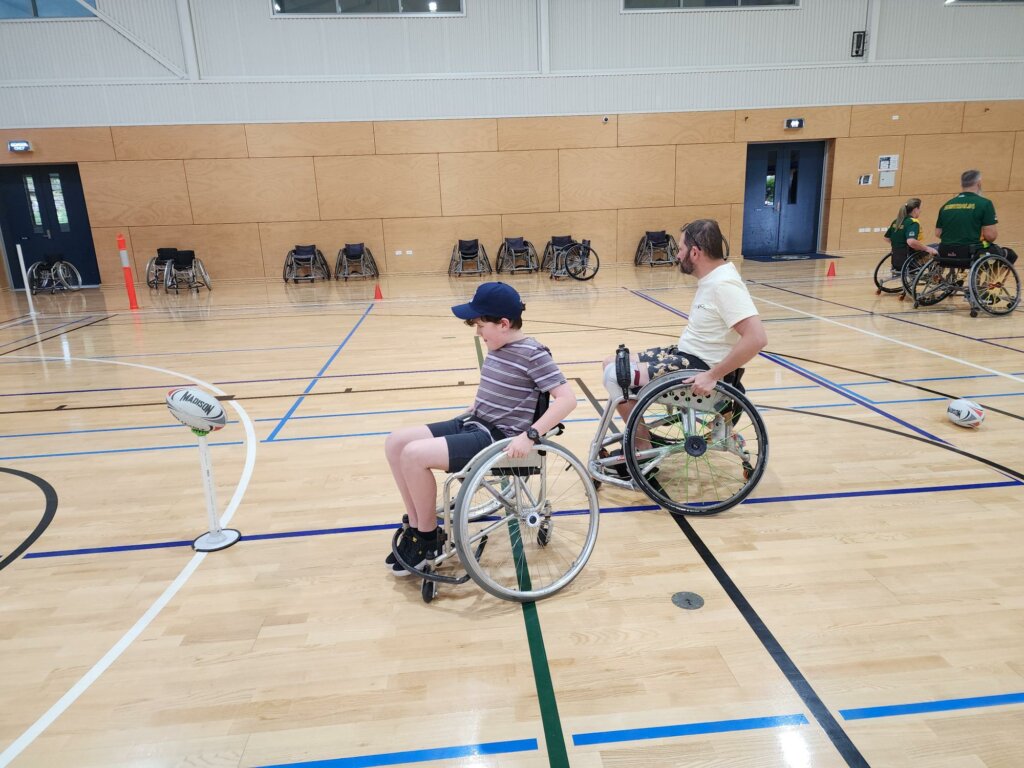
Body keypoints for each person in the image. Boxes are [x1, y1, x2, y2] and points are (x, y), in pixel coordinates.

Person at [383, 281, 577, 576]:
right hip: (474, 420)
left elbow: (567, 400)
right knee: (396, 442)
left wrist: (530, 435)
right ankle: (416, 523)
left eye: (480, 324)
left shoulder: (533, 353)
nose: (477, 332)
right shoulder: (499, 345)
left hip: (496, 438)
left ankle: (427, 538)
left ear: (503, 323)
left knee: (413, 455)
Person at [602, 219, 766, 408]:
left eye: (680, 250)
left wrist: (712, 376)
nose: (678, 256)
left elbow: (757, 338)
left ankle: (639, 438)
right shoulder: (713, 279)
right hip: (686, 356)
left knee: (615, 375)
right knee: (610, 362)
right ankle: (639, 435)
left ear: (695, 253)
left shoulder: (724, 285)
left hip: (697, 367)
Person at [935, 169, 1017, 264]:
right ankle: (991, 278)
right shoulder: (984, 203)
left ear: (962, 184)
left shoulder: (946, 205)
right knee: (1010, 255)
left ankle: (976, 277)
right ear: (979, 183)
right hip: (971, 253)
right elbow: (990, 236)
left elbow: (938, 233)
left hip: (945, 252)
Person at [884, 197, 938, 271]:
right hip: (911, 260)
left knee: (936, 245)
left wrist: (900, 245)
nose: (921, 211)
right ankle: (936, 277)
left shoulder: (896, 221)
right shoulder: (913, 222)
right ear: (915, 210)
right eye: (920, 209)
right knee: (940, 249)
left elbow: (887, 238)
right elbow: (911, 241)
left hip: (897, 260)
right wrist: (927, 248)